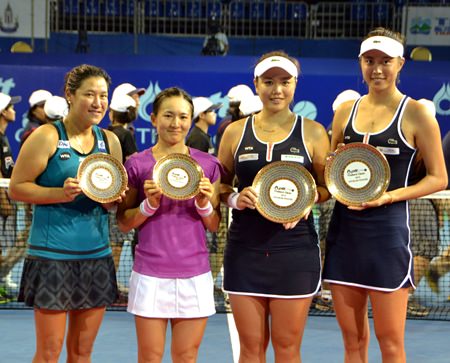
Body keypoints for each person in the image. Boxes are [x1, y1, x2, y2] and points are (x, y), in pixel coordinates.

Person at [323, 27, 447, 362]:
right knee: (352, 343)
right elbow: (333, 167)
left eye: (385, 61)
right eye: (370, 60)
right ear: (360, 63)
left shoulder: (418, 114)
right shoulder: (344, 111)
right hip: (344, 237)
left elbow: (438, 178)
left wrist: (389, 197)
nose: (377, 68)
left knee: (390, 343)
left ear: (400, 64)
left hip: (389, 238)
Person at [218, 51, 330, 361]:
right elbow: (219, 185)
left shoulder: (314, 132)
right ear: (256, 84)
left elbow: (327, 187)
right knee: (250, 350)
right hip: (245, 251)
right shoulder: (235, 132)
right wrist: (234, 198)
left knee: (287, 349)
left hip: (294, 253)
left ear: (295, 84)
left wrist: (309, 199)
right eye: (268, 81)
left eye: (284, 82)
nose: (276, 89)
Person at [8, 64, 123, 362]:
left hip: (96, 257)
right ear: (70, 95)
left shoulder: (110, 141)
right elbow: (17, 188)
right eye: (90, 94)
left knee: (82, 352)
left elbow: (110, 199)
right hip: (52, 258)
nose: (98, 102)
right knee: (49, 353)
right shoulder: (46, 136)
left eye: (103, 95)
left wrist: (114, 200)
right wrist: (61, 193)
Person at [116, 87, 221, 362]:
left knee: (186, 357)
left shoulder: (208, 165)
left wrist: (203, 204)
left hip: (195, 275)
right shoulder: (136, 165)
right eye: (168, 115)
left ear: (191, 119)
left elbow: (213, 224)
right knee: (149, 358)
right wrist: (147, 205)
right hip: (150, 275)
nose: (176, 123)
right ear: (153, 119)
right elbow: (124, 223)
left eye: (183, 116)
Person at [314, 89, 361, 313]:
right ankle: (323, 289)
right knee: (326, 241)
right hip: (332, 199)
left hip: (354, 201)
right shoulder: (327, 136)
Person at [107, 91, 138, 301]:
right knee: (116, 245)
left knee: (111, 243)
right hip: (119, 195)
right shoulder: (126, 135)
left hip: (105, 192)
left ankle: (108, 285)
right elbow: (133, 163)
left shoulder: (105, 133)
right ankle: (110, 288)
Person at [0, 92, 21, 302]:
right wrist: (3, 201)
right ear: (2, 113)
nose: (14, 110)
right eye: (10, 107)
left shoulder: (3, 136)